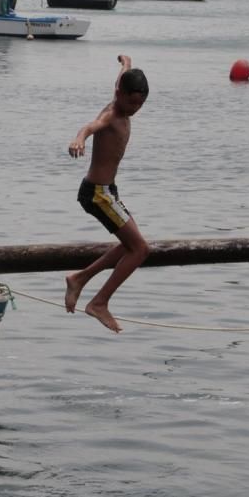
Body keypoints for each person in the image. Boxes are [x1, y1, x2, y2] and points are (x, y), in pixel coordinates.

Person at [65, 55, 150, 333]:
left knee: (130, 245)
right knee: (140, 249)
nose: (135, 109)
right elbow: (91, 126)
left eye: (140, 104)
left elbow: (121, 75)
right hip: (98, 194)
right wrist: (79, 138)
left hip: (107, 191)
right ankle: (99, 302)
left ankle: (80, 278)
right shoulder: (111, 115)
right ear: (119, 95)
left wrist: (125, 63)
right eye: (131, 102)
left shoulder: (123, 97)